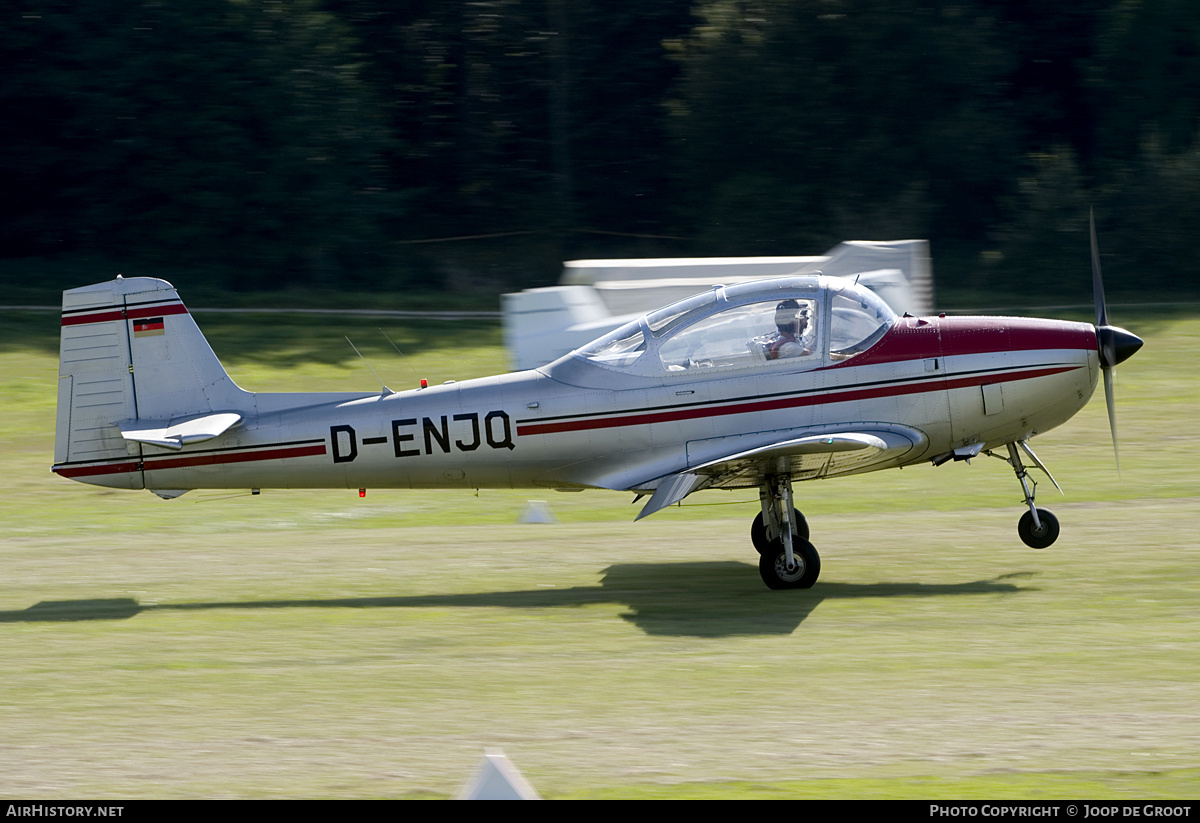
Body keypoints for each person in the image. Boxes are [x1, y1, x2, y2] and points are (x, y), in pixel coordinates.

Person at [750, 299, 814, 360]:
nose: (806, 323)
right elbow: (810, 356)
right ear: (792, 323)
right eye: (800, 319)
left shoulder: (778, 338)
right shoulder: (790, 347)